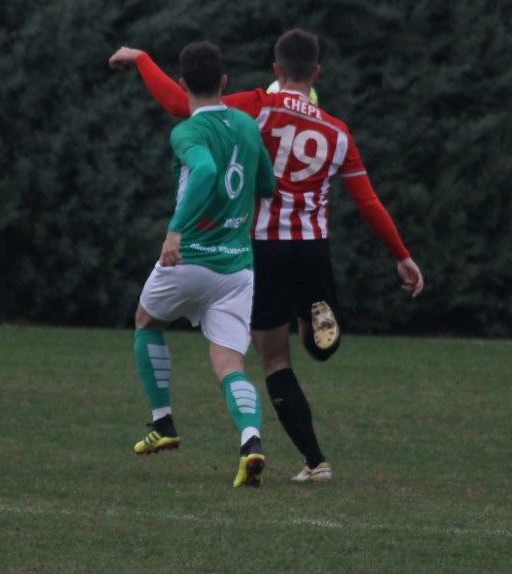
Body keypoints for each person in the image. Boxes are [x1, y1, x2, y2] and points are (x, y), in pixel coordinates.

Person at [110, 28, 423, 484]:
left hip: (261, 248)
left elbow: (185, 106)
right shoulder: (337, 130)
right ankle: (315, 323)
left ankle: (316, 462)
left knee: (274, 363)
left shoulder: (257, 106)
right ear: (316, 73)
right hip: (313, 247)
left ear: (276, 70)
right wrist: (402, 255)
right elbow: (369, 201)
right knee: (315, 333)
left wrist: (141, 59)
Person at [122, 40, 277, 488]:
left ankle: (163, 424)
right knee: (229, 364)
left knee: (146, 320)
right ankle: (251, 442)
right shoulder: (248, 126)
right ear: (225, 82)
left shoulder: (187, 131)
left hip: (190, 257)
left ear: (184, 84)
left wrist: (175, 230)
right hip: (238, 268)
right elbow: (266, 184)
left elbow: (206, 171)